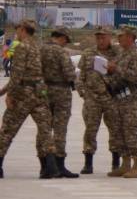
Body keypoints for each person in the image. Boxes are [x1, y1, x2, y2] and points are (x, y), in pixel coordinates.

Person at [0, 20, 56, 180]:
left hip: (23, 94)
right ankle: (48, 166)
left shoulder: (21, 47)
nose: (17, 32)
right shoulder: (37, 47)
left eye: (18, 29)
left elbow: (17, 74)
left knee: (8, 129)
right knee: (45, 129)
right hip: (39, 93)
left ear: (23, 30)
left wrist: (9, 94)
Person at [105, 24, 137, 178]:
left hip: (131, 98)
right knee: (118, 130)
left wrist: (116, 69)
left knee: (131, 130)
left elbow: (136, 77)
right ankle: (125, 164)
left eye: (121, 36)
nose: (118, 38)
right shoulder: (121, 53)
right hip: (117, 97)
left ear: (130, 37)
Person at [77, 26, 119, 175]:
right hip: (92, 98)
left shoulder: (117, 54)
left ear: (110, 37)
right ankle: (88, 163)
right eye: (98, 37)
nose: (100, 40)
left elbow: (122, 75)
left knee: (115, 130)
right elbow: (81, 76)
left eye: (103, 37)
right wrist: (83, 93)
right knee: (90, 130)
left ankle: (116, 163)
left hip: (111, 98)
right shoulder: (89, 53)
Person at [40, 27, 79, 178]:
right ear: (62, 37)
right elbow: (69, 73)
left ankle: (45, 165)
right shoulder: (61, 52)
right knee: (60, 128)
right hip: (61, 92)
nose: (65, 43)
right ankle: (59, 166)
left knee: (44, 128)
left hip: (45, 90)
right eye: (65, 40)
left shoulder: (41, 49)